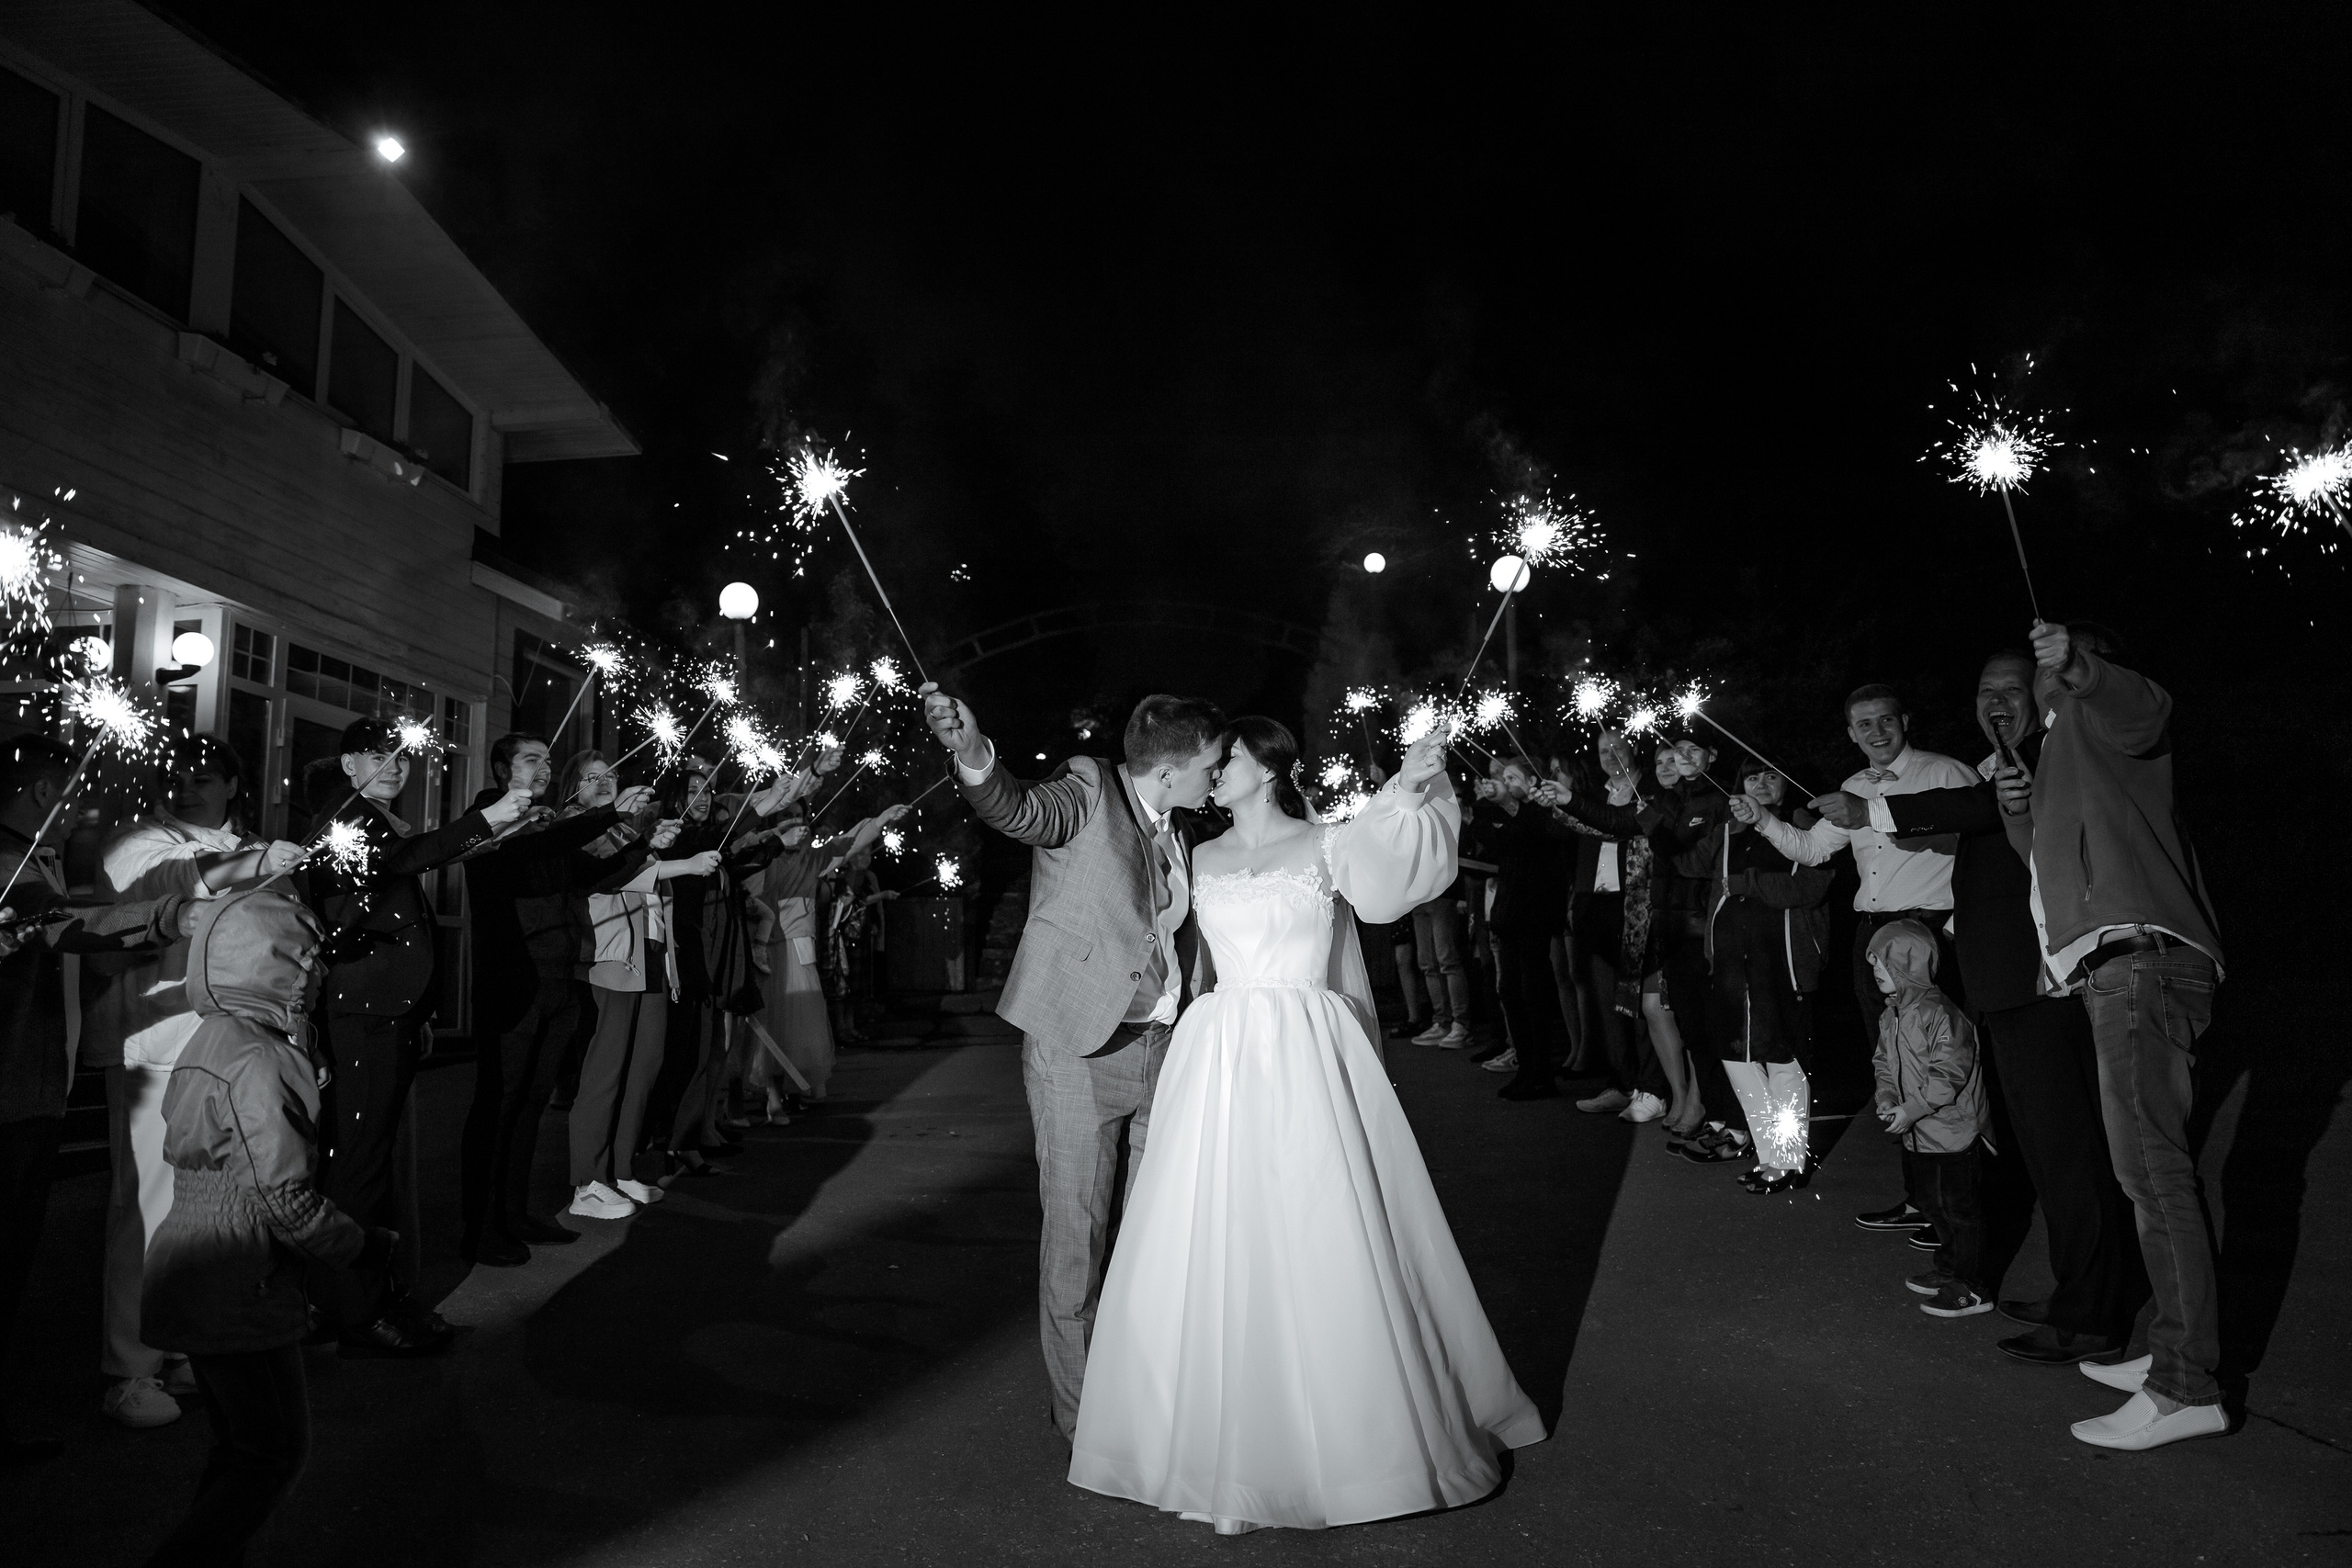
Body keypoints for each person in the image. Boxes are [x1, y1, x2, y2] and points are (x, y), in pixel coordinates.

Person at [1069, 720, 1543, 1532]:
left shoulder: (1329, 843)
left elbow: (1395, 878)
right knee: (1217, 1230)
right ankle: (1208, 1438)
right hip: (1217, 1055)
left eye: (1232, 759)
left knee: (1325, 1218)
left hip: (1306, 1049)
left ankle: (1360, 1438)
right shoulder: (1198, 854)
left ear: (1271, 767)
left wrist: (1412, 782)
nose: (1217, 772)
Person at [922, 683, 1225, 1445]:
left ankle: (1148, 1385)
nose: (1215, 778)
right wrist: (972, 753)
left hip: (1163, 1050)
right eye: (1210, 766)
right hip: (1079, 1049)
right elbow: (1020, 809)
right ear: (1172, 767)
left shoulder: (1181, 826)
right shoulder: (1090, 788)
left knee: (1157, 1230)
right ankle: (1087, 1418)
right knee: (1078, 1238)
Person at [1866, 651, 2146, 1367]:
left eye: (2011, 689)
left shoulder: (2048, 760)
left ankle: (2092, 1314)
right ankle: (2077, 1290)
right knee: (2050, 1158)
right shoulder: (2001, 769)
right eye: (1984, 689)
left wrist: (1873, 806)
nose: (1996, 700)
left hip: (2045, 988)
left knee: (2072, 1153)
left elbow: (1984, 819)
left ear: (2041, 696)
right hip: (2005, 991)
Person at [2007, 620, 2228, 1452]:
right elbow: (2054, 875)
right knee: (2145, 1176)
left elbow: (2146, 710)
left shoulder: (2102, 713)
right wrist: (2017, 814)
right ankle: (2171, 1351)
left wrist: (2087, 668)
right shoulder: (2064, 754)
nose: (2039, 682)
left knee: (2158, 1177)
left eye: (2045, 668)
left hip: (2145, 962)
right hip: (2118, 966)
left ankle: (2185, 1387)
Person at [139, 888, 396, 1565]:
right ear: (269, 963)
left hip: (198, 1259)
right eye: (303, 957)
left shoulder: (217, 1032)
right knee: (276, 1449)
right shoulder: (258, 1055)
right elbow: (280, 1192)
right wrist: (359, 1246)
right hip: (236, 1273)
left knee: (241, 1444)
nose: (314, 971)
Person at [84, 737, 301, 1427]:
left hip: (230, 1052)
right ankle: (129, 1367)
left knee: (211, 1208)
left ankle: (182, 1343)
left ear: (234, 784)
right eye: (172, 775)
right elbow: (176, 880)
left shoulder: (259, 847)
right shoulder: (136, 840)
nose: (184, 787)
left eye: (202, 776)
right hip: (153, 1041)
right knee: (144, 1203)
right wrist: (258, 862)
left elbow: (281, 946)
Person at [304, 716, 533, 1353]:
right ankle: (354, 1307)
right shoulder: (345, 815)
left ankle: (354, 1295)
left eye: (402, 758)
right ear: (349, 763)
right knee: (359, 1159)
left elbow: (399, 880)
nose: (396, 767)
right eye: (379, 755)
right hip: (364, 1010)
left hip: (387, 1008)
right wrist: (483, 822)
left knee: (368, 1156)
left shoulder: (371, 817)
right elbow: (399, 862)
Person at [0, 738, 195, 1466]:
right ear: (43, 789)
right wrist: (167, 915)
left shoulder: (36, 858)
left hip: (35, 1087)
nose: (83, 813)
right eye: (73, 795)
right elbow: (70, 923)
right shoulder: (11, 861)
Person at [1741, 685, 1976, 1223]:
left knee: (1937, 1068)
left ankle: (1954, 1205)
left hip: (1926, 935)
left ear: (1905, 720)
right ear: (1851, 733)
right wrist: (1761, 818)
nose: (1876, 732)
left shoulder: (1945, 773)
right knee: (1891, 1067)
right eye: (1863, 725)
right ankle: (1921, 1197)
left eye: (1885, 720)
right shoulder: (1853, 786)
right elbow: (1813, 848)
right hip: (1871, 938)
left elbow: (1981, 839)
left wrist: (1872, 812)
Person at [456, 732, 656, 1262]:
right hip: (513, 979)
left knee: (530, 1103)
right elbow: (536, 849)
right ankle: (481, 1225)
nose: (544, 767)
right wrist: (604, 814)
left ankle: (514, 1212)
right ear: (502, 769)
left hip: (559, 977)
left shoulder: (545, 820)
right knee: (499, 1103)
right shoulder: (492, 815)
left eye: (547, 759)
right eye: (530, 759)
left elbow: (588, 871)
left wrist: (635, 838)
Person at [562, 750, 715, 1218]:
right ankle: (587, 1182)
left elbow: (636, 866)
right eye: (591, 777)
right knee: (605, 1070)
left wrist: (651, 839)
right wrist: (679, 863)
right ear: (574, 786)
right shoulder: (572, 826)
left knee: (644, 1066)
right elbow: (609, 874)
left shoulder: (623, 825)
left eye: (609, 774)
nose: (604, 782)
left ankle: (621, 1169)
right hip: (609, 956)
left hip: (650, 953)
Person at [1713, 760, 1836, 1190]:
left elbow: (1808, 887)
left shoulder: (1807, 824)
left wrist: (1747, 883)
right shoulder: (1728, 831)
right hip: (1732, 963)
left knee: (1783, 1060)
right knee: (1738, 1059)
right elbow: (1698, 873)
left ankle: (1787, 1160)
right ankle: (1770, 1154)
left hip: (1782, 962)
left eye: (1771, 776)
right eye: (1752, 777)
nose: (1761, 785)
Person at [1867, 919, 1991, 1319]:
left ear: (1908, 966)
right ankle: (1951, 1268)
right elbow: (1883, 1062)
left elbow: (1950, 1073)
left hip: (1955, 1131)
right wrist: (1888, 1097)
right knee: (1933, 1205)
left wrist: (1911, 1109)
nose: (1875, 972)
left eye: (1883, 965)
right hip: (1919, 1133)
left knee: (1961, 1208)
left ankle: (1973, 1287)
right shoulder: (1892, 1015)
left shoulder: (1940, 1013)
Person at [1482, 755, 1578, 1100]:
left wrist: (1510, 805)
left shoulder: (1544, 810)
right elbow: (1494, 847)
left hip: (1535, 913)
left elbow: (1545, 840)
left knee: (1532, 990)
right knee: (1509, 989)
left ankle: (1541, 1071)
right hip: (1509, 913)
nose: (1506, 784)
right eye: (1503, 779)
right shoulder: (1506, 815)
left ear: (1531, 779)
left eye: (1512, 778)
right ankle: (1526, 1066)